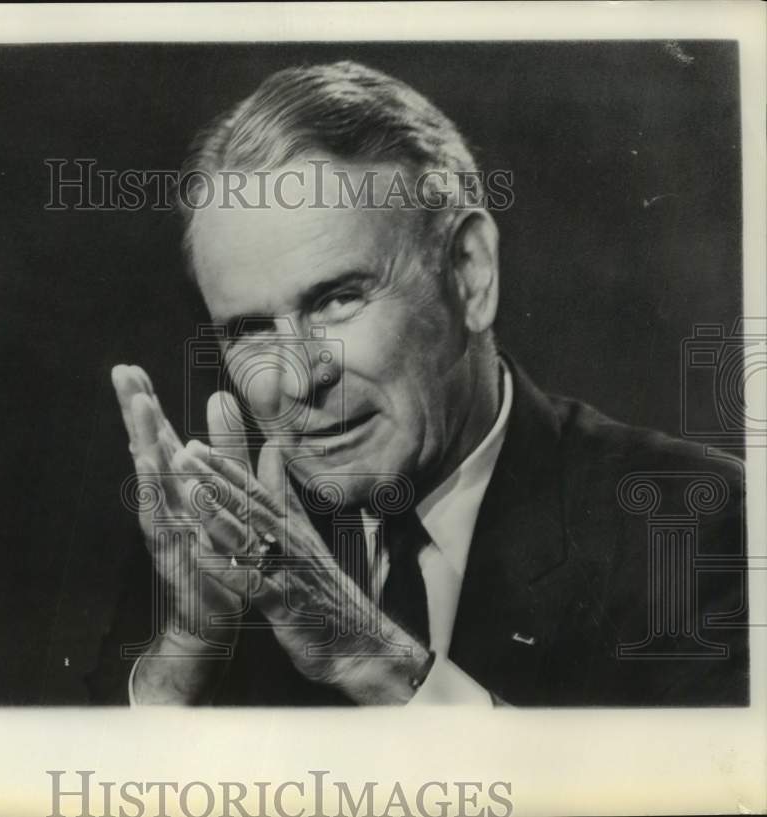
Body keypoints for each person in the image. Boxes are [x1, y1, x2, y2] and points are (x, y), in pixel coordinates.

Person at [88, 61, 748, 707]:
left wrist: (367, 657)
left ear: (469, 274)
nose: (296, 377)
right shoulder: (223, 540)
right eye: (250, 330)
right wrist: (189, 654)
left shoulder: (696, 526)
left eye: (338, 299)